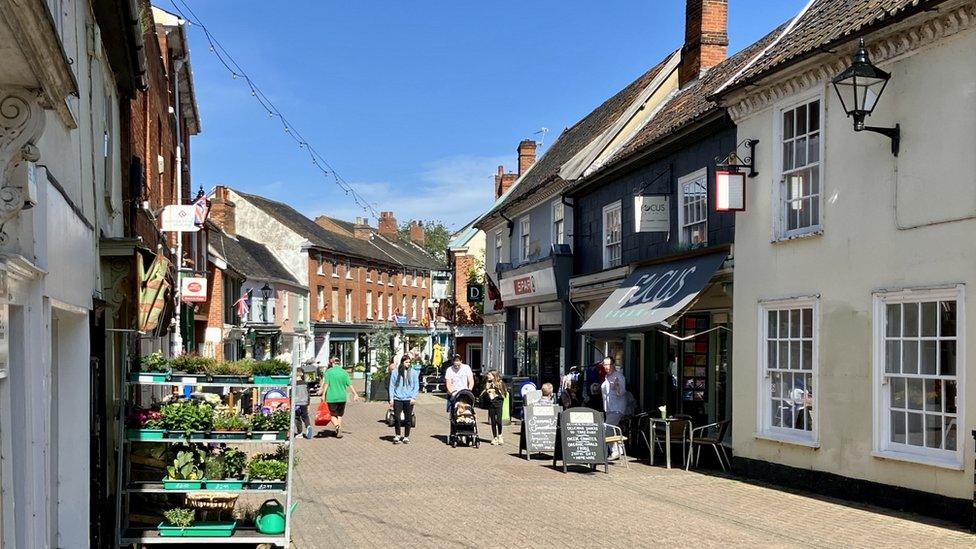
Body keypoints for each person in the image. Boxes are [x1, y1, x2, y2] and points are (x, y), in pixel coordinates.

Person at [321, 357, 359, 438]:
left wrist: (323, 394)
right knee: (339, 414)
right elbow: (350, 384)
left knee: (331, 414)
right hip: (342, 397)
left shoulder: (329, 372)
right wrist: (355, 394)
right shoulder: (344, 372)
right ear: (339, 363)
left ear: (332, 363)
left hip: (331, 397)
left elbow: (326, 384)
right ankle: (338, 429)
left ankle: (337, 427)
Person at [388, 355, 419, 444]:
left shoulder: (413, 372)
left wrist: (413, 397)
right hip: (398, 398)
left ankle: (406, 436)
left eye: (409, 362)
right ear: (402, 362)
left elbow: (416, 386)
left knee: (408, 418)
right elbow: (392, 385)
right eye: (406, 362)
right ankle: (397, 435)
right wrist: (391, 398)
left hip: (408, 399)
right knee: (397, 418)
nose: (408, 364)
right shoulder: (395, 372)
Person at [600, 357, 626, 460]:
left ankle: (614, 451)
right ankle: (618, 450)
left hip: (617, 407)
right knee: (612, 429)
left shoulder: (618, 376)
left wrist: (617, 386)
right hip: (609, 408)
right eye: (605, 364)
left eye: (609, 364)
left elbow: (622, 392)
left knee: (607, 427)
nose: (607, 366)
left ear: (613, 364)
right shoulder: (607, 376)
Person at [481, 370, 506, 445]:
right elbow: (484, 393)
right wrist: (487, 390)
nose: (487, 376)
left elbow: (504, 394)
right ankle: (495, 437)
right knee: (493, 421)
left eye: (489, 375)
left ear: (494, 376)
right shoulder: (487, 383)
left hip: (498, 403)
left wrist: (497, 389)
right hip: (490, 403)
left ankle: (500, 436)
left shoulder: (500, 383)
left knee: (498, 420)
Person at [294, 370, 312, 439]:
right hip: (304, 402)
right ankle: (308, 426)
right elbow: (308, 394)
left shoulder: (293, 383)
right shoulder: (305, 383)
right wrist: (308, 404)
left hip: (296, 403)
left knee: (297, 417)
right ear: (301, 374)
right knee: (305, 416)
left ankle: (300, 433)